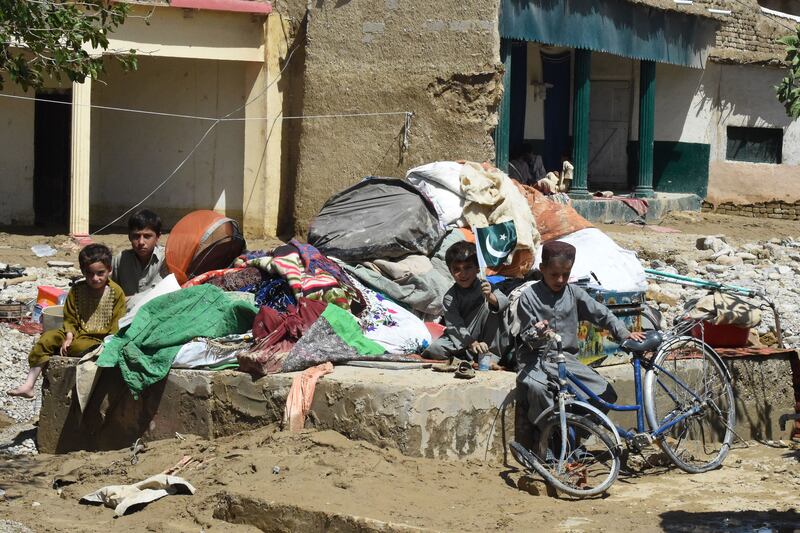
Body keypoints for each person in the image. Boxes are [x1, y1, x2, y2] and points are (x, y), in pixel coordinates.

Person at [515, 241, 645, 432]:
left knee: (605, 394)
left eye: (565, 275)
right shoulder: (528, 297)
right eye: (554, 274)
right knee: (538, 389)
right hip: (536, 360)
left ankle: (575, 432)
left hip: (566, 360)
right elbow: (526, 336)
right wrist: (539, 333)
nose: (560, 280)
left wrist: (624, 333)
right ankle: (548, 438)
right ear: (542, 269)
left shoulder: (574, 293)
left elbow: (602, 314)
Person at [8, 244, 126, 398]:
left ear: (109, 270)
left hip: (101, 340)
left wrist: (109, 344)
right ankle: (29, 384)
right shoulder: (77, 290)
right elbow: (70, 316)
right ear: (83, 272)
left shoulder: (116, 292)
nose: (95, 278)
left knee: (87, 347)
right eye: (89, 273)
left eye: (100, 273)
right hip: (77, 334)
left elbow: (117, 322)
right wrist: (69, 335)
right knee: (47, 338)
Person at [423, 241, 511, 367]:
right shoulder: (450, 297)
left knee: (490, 306)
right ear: (450, 271)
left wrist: (490, 297)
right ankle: (468, 357)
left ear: (477, 268)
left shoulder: (486, 286)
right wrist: (472, 343)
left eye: (468, 267)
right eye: (457, 269)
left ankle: (490, 356)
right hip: (463, 338)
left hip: (488, 337)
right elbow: (455, 325)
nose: (463, 274)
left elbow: (504, 302)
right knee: (435, 349)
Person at [111, 209, 168, 310]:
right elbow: (111, 293)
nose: (141, 242)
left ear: (157, 237)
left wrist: (131, 300)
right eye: (136, 236)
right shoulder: (120, 260)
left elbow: (166, 295)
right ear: (129, 236)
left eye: (147, 236)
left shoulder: (167, 259)